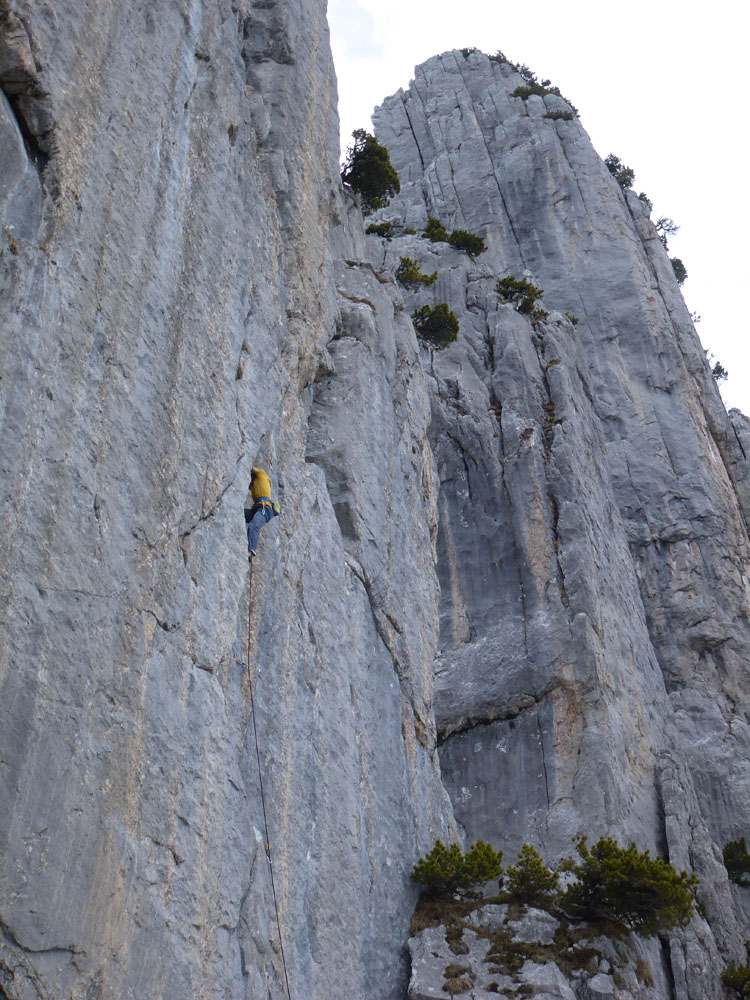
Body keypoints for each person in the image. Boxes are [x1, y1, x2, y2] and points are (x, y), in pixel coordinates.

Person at [244, 467, 276, 562]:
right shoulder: (253, 485)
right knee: (240, 514)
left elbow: (252, 468)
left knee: (254, 525)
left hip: (265, 508)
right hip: (257, 508)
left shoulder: (262, 474)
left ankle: (251, 550)